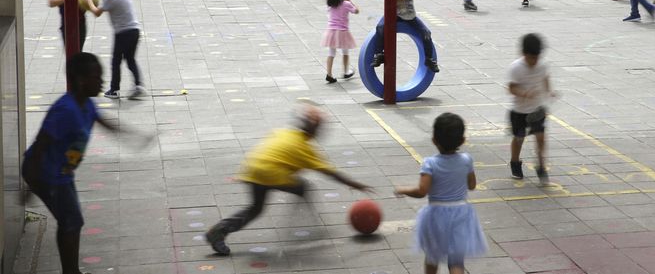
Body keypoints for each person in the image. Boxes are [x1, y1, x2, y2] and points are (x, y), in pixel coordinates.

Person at [21, 52, 138, 274]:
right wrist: (32, 185)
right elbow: (41, 144)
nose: (102, 81)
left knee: (71, 222)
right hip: (47, 174)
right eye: (97, 76)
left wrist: (136, 136)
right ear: (81, 80)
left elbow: (106, 123)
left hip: (61, 173)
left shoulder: (86, 105)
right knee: (71, 221)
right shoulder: (66, 110)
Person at [205, 103, 372, 256]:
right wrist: (355, 184)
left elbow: (268, 147)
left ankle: (219, 231)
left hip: (253, 168)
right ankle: (302, 222)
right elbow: (330, 173)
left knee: (256, 208)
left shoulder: (283, 132)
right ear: (315, 131)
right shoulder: (305, 148)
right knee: (302, 188)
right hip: (271, 173)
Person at [394, 113, 487, 274]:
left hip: (436, 215)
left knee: (432, 258)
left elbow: (422, 191)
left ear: (434, 140)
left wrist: (403, 189)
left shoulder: (430, 163)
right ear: (463, 141)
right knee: (456, 262)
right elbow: (472, 185)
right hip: (461, 214)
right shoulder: (466, 160)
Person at [87, 0, 145, 99]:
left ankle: (114, 90)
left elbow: (97, 13)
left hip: (122, 33)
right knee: (130, 59)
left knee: (116, 61)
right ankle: (138, 85)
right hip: (134, 30)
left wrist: (89, 1)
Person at [508, 33, 554, 183]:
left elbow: (545, 77)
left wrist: (549, 91)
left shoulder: (542, 65)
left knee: (541, 138)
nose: (534, 61)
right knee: (519, 138)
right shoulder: (516, 68)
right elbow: (511, 88)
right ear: (523, 54)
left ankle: (540, 165)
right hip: (519, 111)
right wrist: (524, 93)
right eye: (530, 58)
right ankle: (515, 162)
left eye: (536, 58)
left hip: (536, 110)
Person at [321, 0, 359, 83]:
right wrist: (350, 0)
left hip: (331, 31)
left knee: (331, 53)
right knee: (345, 52)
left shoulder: (330, 4)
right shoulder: (346, 4)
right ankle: (346, 72)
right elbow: (356, 11)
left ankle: (329, 74)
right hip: (342, 32)